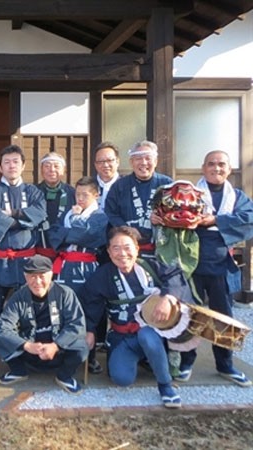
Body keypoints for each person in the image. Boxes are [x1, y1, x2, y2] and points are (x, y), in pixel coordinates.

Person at [80, 226, 195, 408]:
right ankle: (147, 358)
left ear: (136, 248)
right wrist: (89, 330)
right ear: (109, 252)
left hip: (153, 333)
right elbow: (90, 305)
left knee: (147, 336)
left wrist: (168, 298)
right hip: (123, 336)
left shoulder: (150, 265)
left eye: (127, 247)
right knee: (121, 378)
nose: (122, 253)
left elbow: (175, 276)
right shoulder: (102, 276)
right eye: (116, 248)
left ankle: (165, 386)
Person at [175, 150, 253, 387]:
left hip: (221, 264)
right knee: (190, 315)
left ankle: (225, 364)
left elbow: (248, 218)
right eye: (211, 164)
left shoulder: (237, 196)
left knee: (224, 316)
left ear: (229, 169)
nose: (216, 168)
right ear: (203, 167)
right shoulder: (190, 194)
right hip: (192, 263)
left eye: (221, 165)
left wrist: (215, 220)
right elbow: (174, 217)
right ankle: (187, 361)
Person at [0, 145, 47, 371]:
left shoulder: (34, 192)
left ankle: (23, 355)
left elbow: (39, 215)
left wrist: (13, 215)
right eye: (7, 162)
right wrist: (22, 219)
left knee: (27, 311)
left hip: (26, 261)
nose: (11, 166)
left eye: (15, 162)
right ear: (0, 166)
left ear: (23, 165)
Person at [0, 255, 88, 394]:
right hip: (29, 352)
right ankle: (18, 370)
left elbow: (76, 325)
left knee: (82, 345)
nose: (37, 281)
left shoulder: (65, 293)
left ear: (51, 275)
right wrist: (27, 345)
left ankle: (64, 375)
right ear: (25, 277)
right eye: (32, 276)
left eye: (41, 276)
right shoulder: (19, 296)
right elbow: (3, 327)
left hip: (59, 351)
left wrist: (56, 345)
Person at [47, 176, 108, 374]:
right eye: (77, 194)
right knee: (64, 309)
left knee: (88, 309)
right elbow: (54, 236)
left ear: (96, 195)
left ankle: (89, 357)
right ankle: (65, 352)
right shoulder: (68, 213)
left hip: (86, 266)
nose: (80, 198)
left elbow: (91, 237)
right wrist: (70, 228)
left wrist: (72, 225)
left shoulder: (100, 216)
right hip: (64, 267)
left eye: (85, 195)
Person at [105, 140, 172, 258]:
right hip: (127, 252)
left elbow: (177, 213)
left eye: (148, 158)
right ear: (131, 162)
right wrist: (126, 230)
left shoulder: (167, 184)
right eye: (138, 159)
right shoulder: (119, 186)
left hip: (161, 249)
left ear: (156, 161)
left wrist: (163, 218)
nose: (143, 162)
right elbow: (110, 212)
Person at [35, 152, 75, 260]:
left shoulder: (73, 193)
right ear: (41, 170)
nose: (52, 170)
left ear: (63, 170)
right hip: (39, 249)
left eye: (56, 166)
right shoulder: (33, 192)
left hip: (65, 250)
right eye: (47, 166)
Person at [93, 141, 121, 210]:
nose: (105, 165)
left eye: (109, 160)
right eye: (101, 161)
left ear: (117, 162)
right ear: (95, 164)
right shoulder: (89, 185)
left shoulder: (126, 185)